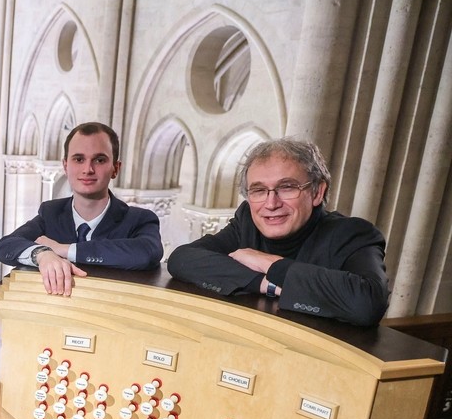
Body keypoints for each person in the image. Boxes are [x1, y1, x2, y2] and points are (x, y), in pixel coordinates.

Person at [167, 137, 389, 326]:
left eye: (287, 187)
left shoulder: (352, 234)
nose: (271, 204)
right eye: (259, 190)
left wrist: (270, 264)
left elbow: (367, 304)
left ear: (317, 192)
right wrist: (268, 284)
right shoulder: (247, 222)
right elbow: (182, 259)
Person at [0, 122, 163, 297]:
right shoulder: (51, 213)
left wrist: (65, 250)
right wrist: (42, 254)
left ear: (115, 168)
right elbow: (5, 246)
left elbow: (148, 253)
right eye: (79, 159)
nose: (88, 169)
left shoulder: (138, 219)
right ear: (65, 166)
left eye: (99, 160)